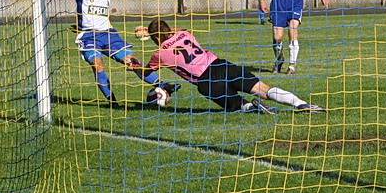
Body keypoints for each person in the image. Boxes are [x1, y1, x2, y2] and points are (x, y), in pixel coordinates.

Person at [139, 19, 324, 113]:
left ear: (155, 38)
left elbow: (147, 71)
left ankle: (252, 107)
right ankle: (300, 103)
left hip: (207, 82)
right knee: (263, 89)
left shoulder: (159, 54)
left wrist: (133, 64)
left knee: (235, 105)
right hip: (221, 65)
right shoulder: (185, 34)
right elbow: (176, 30)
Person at [67, 0, 164, 107]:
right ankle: (112, 101)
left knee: (131, 60)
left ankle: (163, 85)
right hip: (88, 36)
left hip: (108, 34)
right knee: (97, 64)